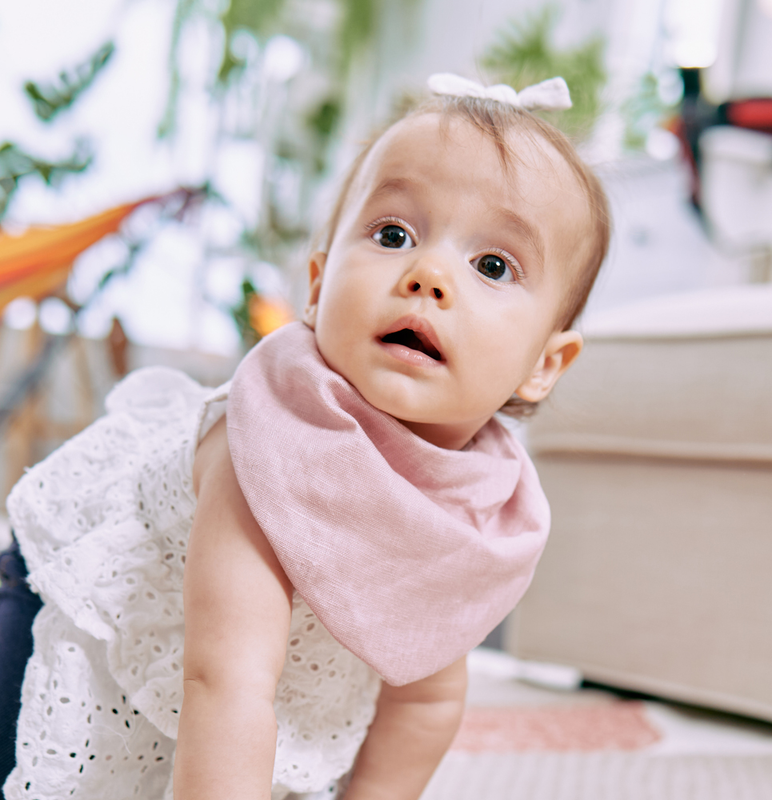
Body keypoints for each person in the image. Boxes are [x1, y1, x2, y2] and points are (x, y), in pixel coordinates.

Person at [1, 74, 610, 800]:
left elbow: (425, 699)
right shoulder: (269, 435)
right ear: (317, 289)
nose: (429, 275)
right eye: (394, 235)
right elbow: (224, 678)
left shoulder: (482, 513)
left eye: (492, 265)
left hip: (240, 682)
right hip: (69, 612)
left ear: (544, 364)